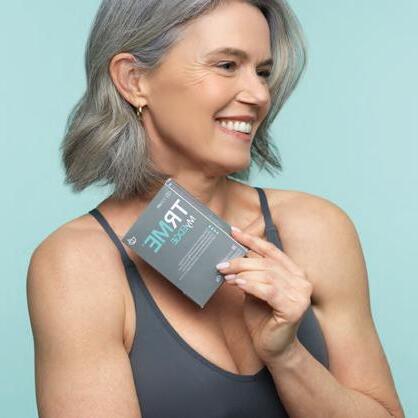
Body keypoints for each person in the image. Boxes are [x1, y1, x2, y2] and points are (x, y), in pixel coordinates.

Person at [26, 0, 404, 417]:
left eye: (263, 72)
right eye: (226, 65)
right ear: (134, 80)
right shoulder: (77, 265)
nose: (259, 94)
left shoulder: (315, 229)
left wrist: (288, 357)